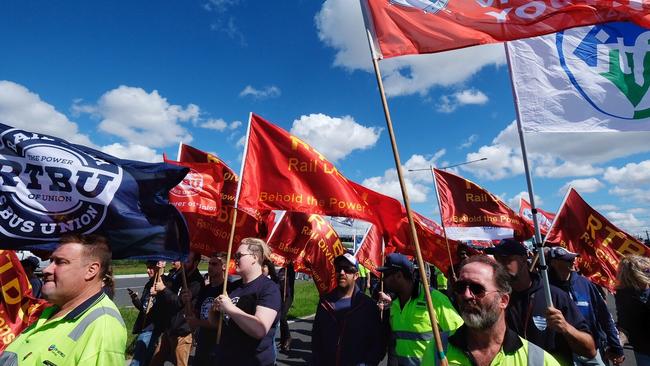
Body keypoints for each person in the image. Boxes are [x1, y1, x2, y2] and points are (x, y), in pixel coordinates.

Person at [0, 234, 126, 365]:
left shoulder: (103, 328)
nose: (46, 270)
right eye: (51, 261)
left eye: (61, 262)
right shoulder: (50, 311)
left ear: (91, 270)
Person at [422, 255, 560, 365]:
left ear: (503, 300)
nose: (466, 295)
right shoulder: (437, 349)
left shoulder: (537, 360)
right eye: (460, 287)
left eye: (477, 289)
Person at [484, 239, 596, 365]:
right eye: (497, 259)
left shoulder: (554, 296)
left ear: (523, 259)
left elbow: (590, 350)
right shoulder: (496, 297)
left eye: (506, 258)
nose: (500, 265)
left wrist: (566, 328)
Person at [377, 253, 464, 366]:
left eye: (386, 275)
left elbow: (460, 337)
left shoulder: (435, 300)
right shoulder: (394, 304)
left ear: (399, 275)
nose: (383, 279)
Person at [545, 247, 625, 366]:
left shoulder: (585, 283)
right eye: (568, 259)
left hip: (592, 349)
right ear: (554, 263)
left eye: (573, 258)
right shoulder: (546, 288)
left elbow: (605, 316)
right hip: (563, 354)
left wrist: (616, 347)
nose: (573, 261)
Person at [211, 237, 281, 366]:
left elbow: (260, 329)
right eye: (234, 255)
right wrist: (214, 310)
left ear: (254, 257)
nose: (235, 259)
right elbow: (218, 324)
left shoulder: (269, 289)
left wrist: (229, 308)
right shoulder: (232, 286)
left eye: (239, 255)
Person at [311, 253, 387, 365]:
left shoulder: (368, 306)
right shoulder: (325, 303)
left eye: (347, 269)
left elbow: (377, 345)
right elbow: (316, 339)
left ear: (356, 275)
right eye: (338, 269)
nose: (342, 273)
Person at [150, 251, 204, 366]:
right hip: (170, 328)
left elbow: (179, 302)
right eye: (183, 259)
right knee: (156, 360)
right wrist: (160, 271)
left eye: (187, 261)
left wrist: (163, 289)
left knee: (180, 363)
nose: (184, 263)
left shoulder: (197, 282)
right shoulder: (180, 275)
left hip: (183, 331)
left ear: (196, 263)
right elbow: (168, 289)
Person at [184, 252, 232, 366]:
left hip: (219, 345)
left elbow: (222, 323)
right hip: (203, 343)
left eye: (214, 264)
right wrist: (188, 302)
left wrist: (198, 322)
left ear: (224, 267)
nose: (210, 267)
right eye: (209, 263)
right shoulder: (205, 289)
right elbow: (195, 314)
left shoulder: (228, 290)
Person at [615, 255, 650, 366]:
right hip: (643, 350)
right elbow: (625, 326)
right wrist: (618, 344)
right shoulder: (624, 295)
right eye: (647, 270)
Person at [129, 260, 166, 366]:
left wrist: (158, 293)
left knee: (137, 361)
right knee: (146, 360)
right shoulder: (148, 284)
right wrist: (135, 299)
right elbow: (144, 308)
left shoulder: (164, 283)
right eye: (147, 267)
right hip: (144, 326)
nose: (147, 270)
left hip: (152, 328)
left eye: (150, 268)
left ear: (158, 268)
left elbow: (168, 305)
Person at [277, 261, 295, 352]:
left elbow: (291, 268)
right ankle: (282, 339)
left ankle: (288, 338)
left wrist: (290, 265)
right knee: (280, 318)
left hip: (288, 296)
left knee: (283, 317)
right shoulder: (281, 271)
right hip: (281, 296)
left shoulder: (290, 271)